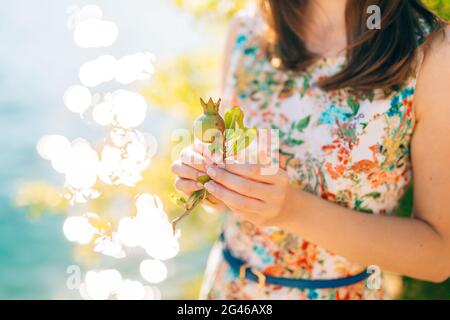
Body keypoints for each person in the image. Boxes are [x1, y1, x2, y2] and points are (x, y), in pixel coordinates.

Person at [171, 0, 450, 300]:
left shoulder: (434, 53)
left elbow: (438, 257)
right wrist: (213, 182)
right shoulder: (248, 28)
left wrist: (291, 210)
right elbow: (232, 182)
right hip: (228, 289)